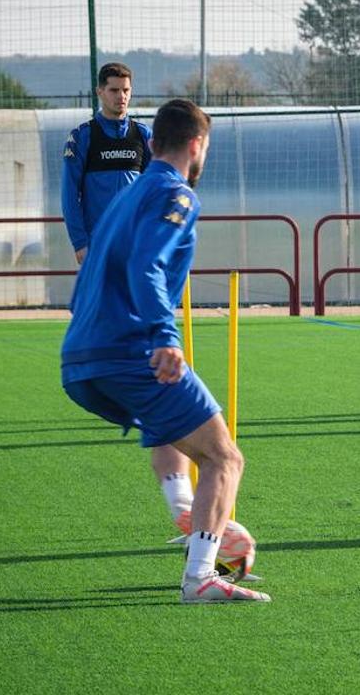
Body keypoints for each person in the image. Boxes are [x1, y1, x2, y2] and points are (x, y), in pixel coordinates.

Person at [61, 99, 270, 603]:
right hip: (131, 349)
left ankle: (186, 507)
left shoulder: (123, 200)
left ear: (152, 143)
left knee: (169, 424)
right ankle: (200, 577)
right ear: (197, 146)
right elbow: (147, 267)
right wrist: (164, 336)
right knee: (224, 458)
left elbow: (92, 278)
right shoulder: (177, 194)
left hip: (81, 361)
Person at [61, 62, 153, 264]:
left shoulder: (144, 135)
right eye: (114, 90)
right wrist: (79, 242)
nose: (121, 96)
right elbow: (69, 194)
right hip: (97, 244)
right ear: (100, 92)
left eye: (126, 90)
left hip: (135, 242)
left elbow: (153, 190)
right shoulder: (82, 137)